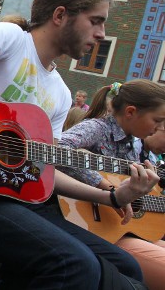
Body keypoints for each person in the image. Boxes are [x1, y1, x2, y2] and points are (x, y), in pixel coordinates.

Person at [0, 0, 159, 289]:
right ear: (61, 15)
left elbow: (44, 168)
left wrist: (113, 196)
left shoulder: (60, 93)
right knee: (73, 266)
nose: (101, 34)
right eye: (96, 21)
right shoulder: (13, 39)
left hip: (12, 198)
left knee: (126, 266)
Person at [59, 80, 165, 290]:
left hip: (118, 228)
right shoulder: (97, 127)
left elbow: (130, 194)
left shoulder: (131, 146)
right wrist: (103, 185)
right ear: (131, 112)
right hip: (91, 226)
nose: (156, 127)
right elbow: (59, 148)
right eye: (157, 120)